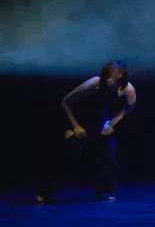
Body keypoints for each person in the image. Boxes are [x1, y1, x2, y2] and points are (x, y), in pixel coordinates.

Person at [36, 61, 137, 202]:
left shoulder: (127, 90)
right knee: (69, 154)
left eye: (115, 79)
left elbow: (129, 106)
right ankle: (45, 192)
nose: (110, 81)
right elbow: (65, 103)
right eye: (109, 77)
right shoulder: (93, 84)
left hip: (98, 121)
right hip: (76, 118)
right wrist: (75, 126)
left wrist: (111, 123)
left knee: (108, 154)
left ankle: (104, 191)